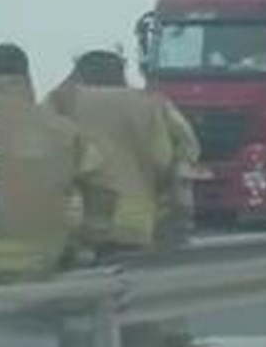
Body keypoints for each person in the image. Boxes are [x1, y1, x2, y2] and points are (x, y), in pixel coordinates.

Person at [0, 42, 115, 282]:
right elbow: (102, 186)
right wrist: (89, 239)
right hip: (41, 265)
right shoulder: (63, 130)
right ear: (27, 78)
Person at [49, 48, 199, 255]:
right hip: (139, 223)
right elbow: (187, 145)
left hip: (81, 226)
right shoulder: (153, 103)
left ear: (79, 75)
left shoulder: (62, 102)